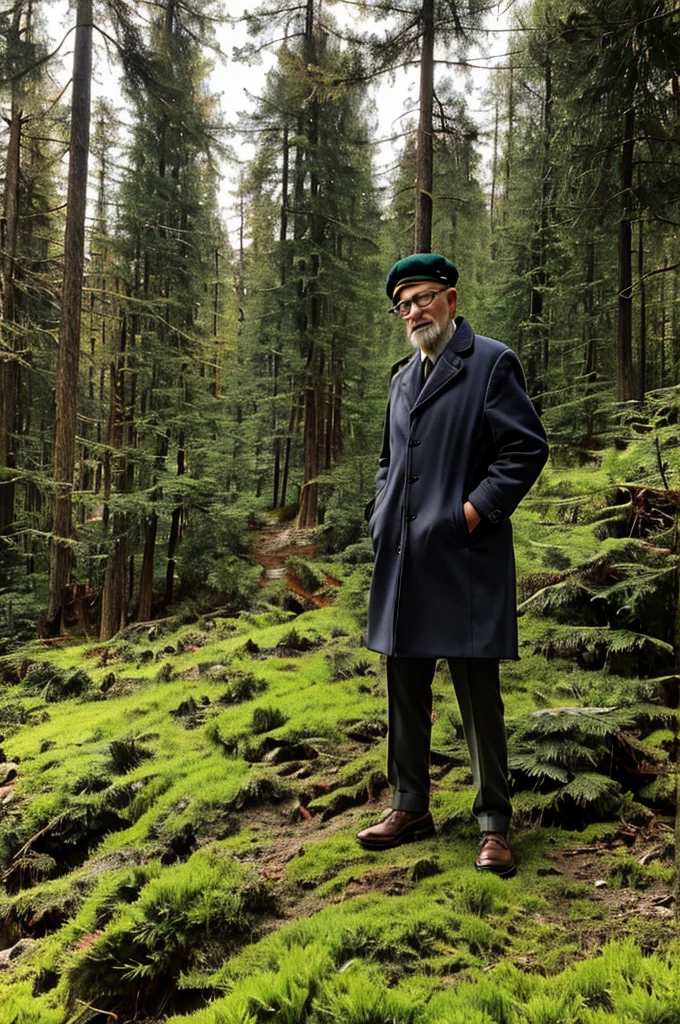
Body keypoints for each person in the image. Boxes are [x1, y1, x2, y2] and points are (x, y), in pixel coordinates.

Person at [358, 253, 549, 876]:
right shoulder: (401, 379)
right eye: (404, 304)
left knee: (477, 694)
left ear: (451, 299)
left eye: (423, 298)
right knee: (404, 685)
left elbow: (524, 450)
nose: (414, 311)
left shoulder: (491, 362)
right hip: (405, 561)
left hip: (465, 558)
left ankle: (494, 823)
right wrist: (381, 513)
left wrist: (470, 514)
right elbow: (389, 459)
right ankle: (410, 804)